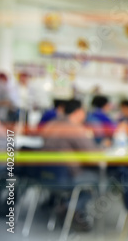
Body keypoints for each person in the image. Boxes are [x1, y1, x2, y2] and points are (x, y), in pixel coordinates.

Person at [41, 99, 99, 231]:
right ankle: (69, 208)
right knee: (101, 180)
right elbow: (92, 154)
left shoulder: (50, 124)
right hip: (66, 177)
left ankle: (61, 203)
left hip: (45, 175)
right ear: (78, 112)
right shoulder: (75, 129)